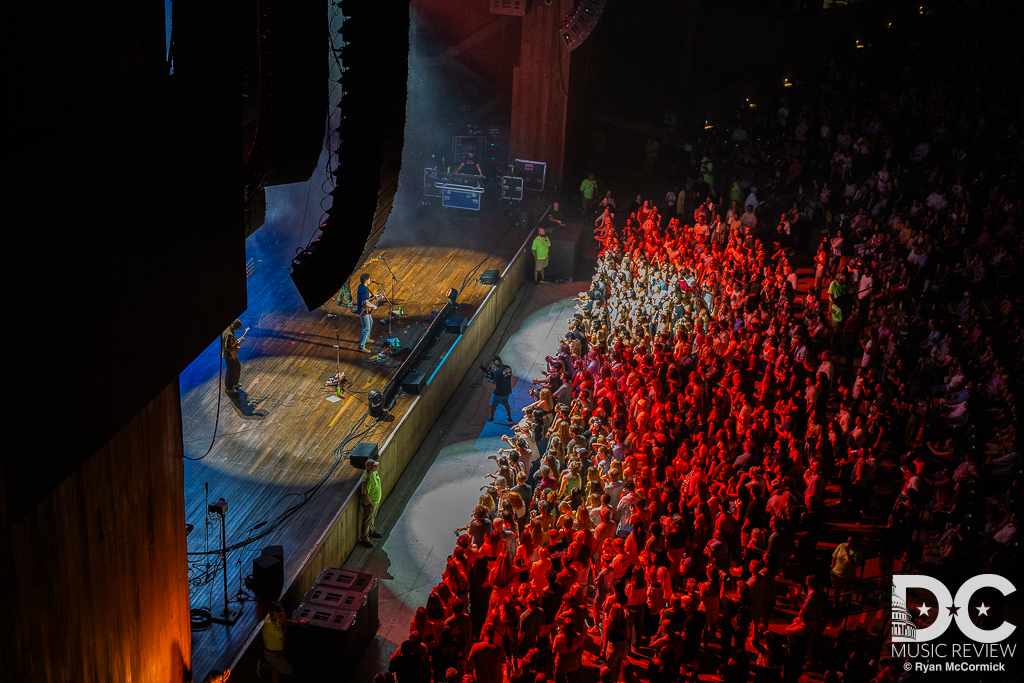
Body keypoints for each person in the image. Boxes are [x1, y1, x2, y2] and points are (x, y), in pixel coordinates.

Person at [259, 602, 307, 683]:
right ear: (273, 612)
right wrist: (283, 622)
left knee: (276, 673)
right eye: (279, 612)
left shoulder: (275, 618)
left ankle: (270, 667)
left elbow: (286, 622)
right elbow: (283, 637)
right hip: (272, 655)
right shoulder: (270, 626)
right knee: (288, 671)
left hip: (277, 653)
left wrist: (299, 623)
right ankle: (264, 664)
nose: (281, 613)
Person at [359, 459, 383, 547]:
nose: (376, 466)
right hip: (370, 504)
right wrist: (372, 504)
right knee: (367, 521)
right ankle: (365, 539)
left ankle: (372, 531)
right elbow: (366, 495)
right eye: (374, 465)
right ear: (369, 467)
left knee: (372, 517)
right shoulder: (367, 479)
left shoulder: (374, 472)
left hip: (376, 501)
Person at [485, 356, 514, 424]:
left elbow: (494, 381)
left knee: (493, 405)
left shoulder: (498, 371)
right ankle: (510, 419)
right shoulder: (508, 367)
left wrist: (488, 380)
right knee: (506, 404)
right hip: (507, 390)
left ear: (496, 363)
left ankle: (491, 418)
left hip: (499, 392)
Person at [221, 319, 245, 394]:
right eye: (237, 328)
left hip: (231, 354)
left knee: (237, 366)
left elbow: (231, 343)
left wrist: (238, 340)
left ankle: (235, 383)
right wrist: (236, 348)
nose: (237, 330)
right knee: (230, 370)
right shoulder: (229, 334)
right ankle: (228, 388)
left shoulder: (229, 330)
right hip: (229, 355)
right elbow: (228, 347)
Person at [357, 273, 377, 352]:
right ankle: (361, 346)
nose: (370, 280)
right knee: (366, 327)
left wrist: (378, 295)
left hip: (365, 310)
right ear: (366, 280)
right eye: (369, 279)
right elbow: (366, 303)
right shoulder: (364, 289)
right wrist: (373, 306)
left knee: (371, 321)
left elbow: (367, 296)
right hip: (364, 311)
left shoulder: (361, 286)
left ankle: (366, 338)